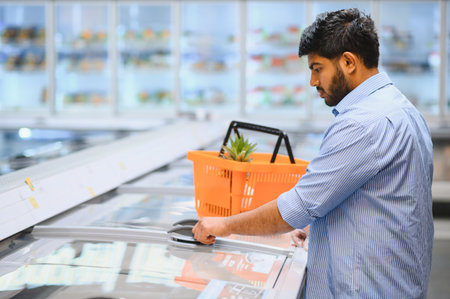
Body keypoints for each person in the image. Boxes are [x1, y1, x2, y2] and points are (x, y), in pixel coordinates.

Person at [193, 8, 434, 298]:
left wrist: (225, 225)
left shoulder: (362, 123)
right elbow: (376, 201)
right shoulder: (402, 109)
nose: (313, 82)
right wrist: (317, 228)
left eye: (317, 68)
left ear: (348, 62)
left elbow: (299, 206)